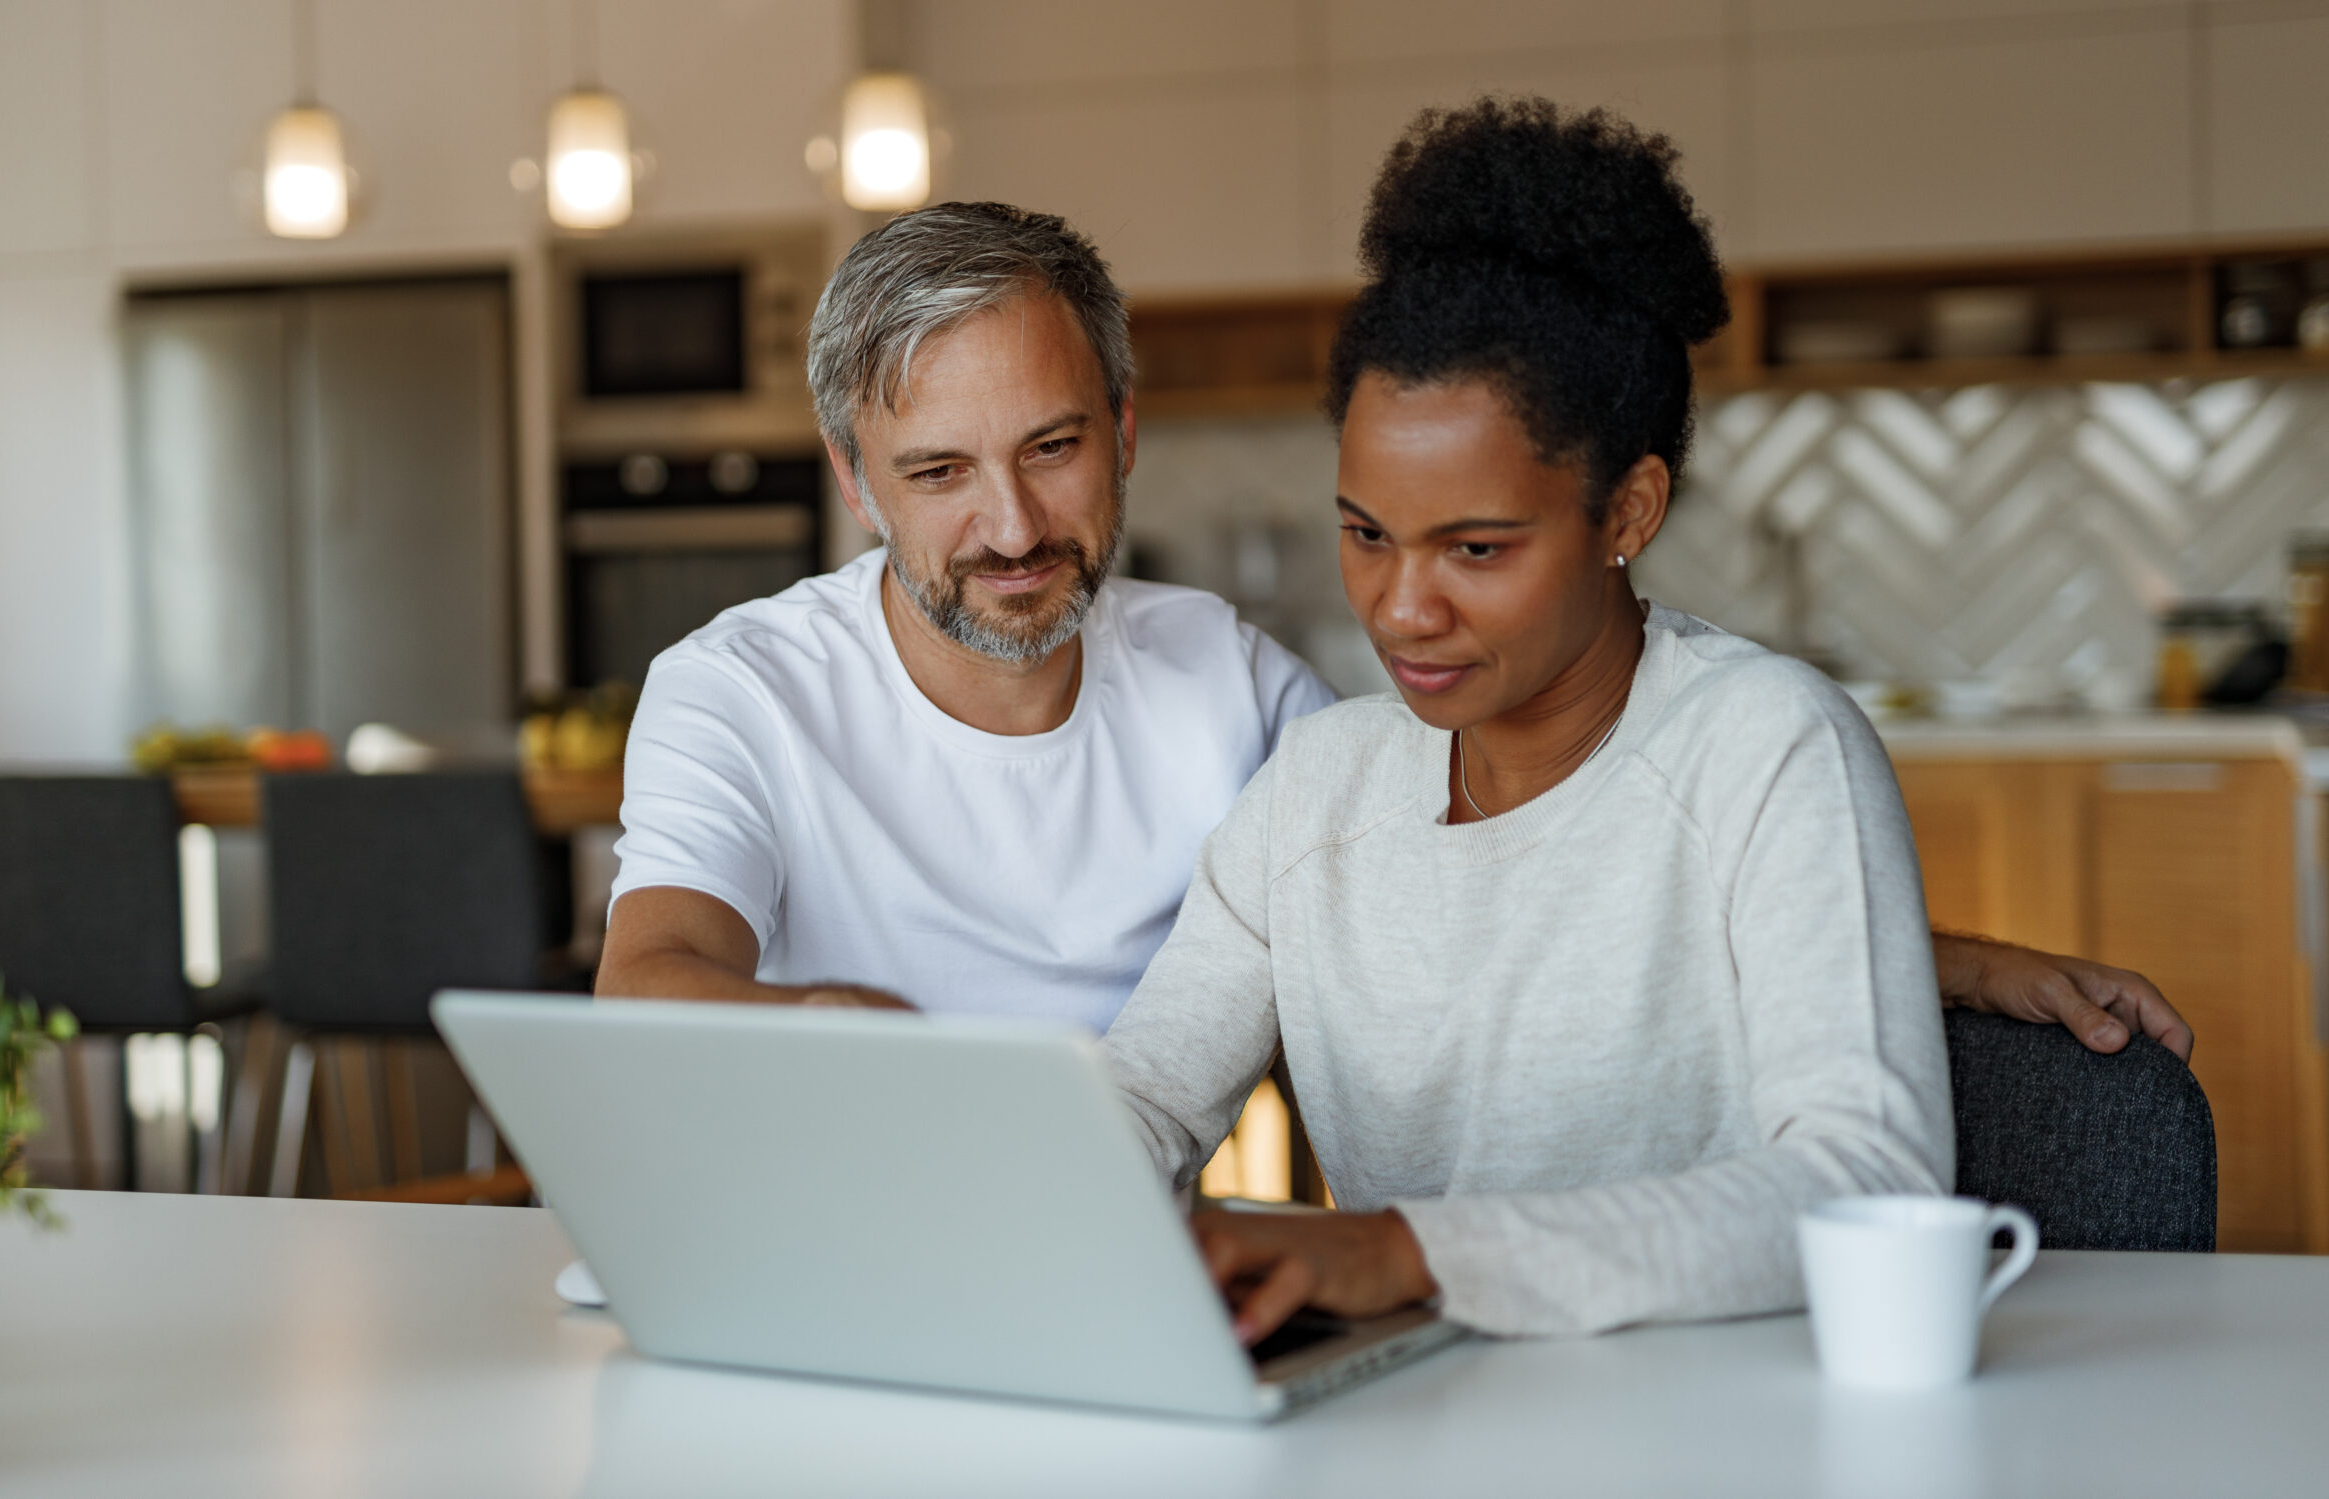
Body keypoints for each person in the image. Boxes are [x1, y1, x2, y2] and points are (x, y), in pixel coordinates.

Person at [593, 201, 2193, 1056]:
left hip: (1131, 1255)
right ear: (854, 481)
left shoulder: (1224, 681)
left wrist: (1916, 956)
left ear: (1128, 431)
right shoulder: (738, 688)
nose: (1010, 528)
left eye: (1053, 449)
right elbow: (654, 973)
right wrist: (836, 1033)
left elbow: (1523, 905)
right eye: (938, 471)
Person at [1098, 99, 2034, 1346]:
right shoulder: (1315, 791)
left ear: (1627, 511)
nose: (1401, 606)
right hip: (1413, 1428)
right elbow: (1143, 1099)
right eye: (1364, 533)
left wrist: (1403, 1250)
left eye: (1474, 548)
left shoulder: (1766, 747)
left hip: (1719, 1427)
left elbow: (1864, 1177)